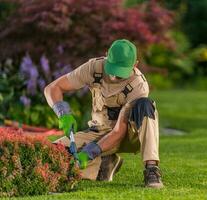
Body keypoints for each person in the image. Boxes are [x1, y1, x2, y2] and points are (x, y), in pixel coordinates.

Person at [44, 39, 163, 188]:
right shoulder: (94, 68)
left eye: (120, 72)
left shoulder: (138, 85)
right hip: (98, 131)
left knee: (146, 105)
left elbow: (119, 132)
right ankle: (104, 165)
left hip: (129, 135)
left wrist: (90, 152)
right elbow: (53, 88)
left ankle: (152, 170)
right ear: (106, 55)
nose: (113, 76)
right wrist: (63, 113)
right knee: (52, 154)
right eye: (112, 69)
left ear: (135, 65)